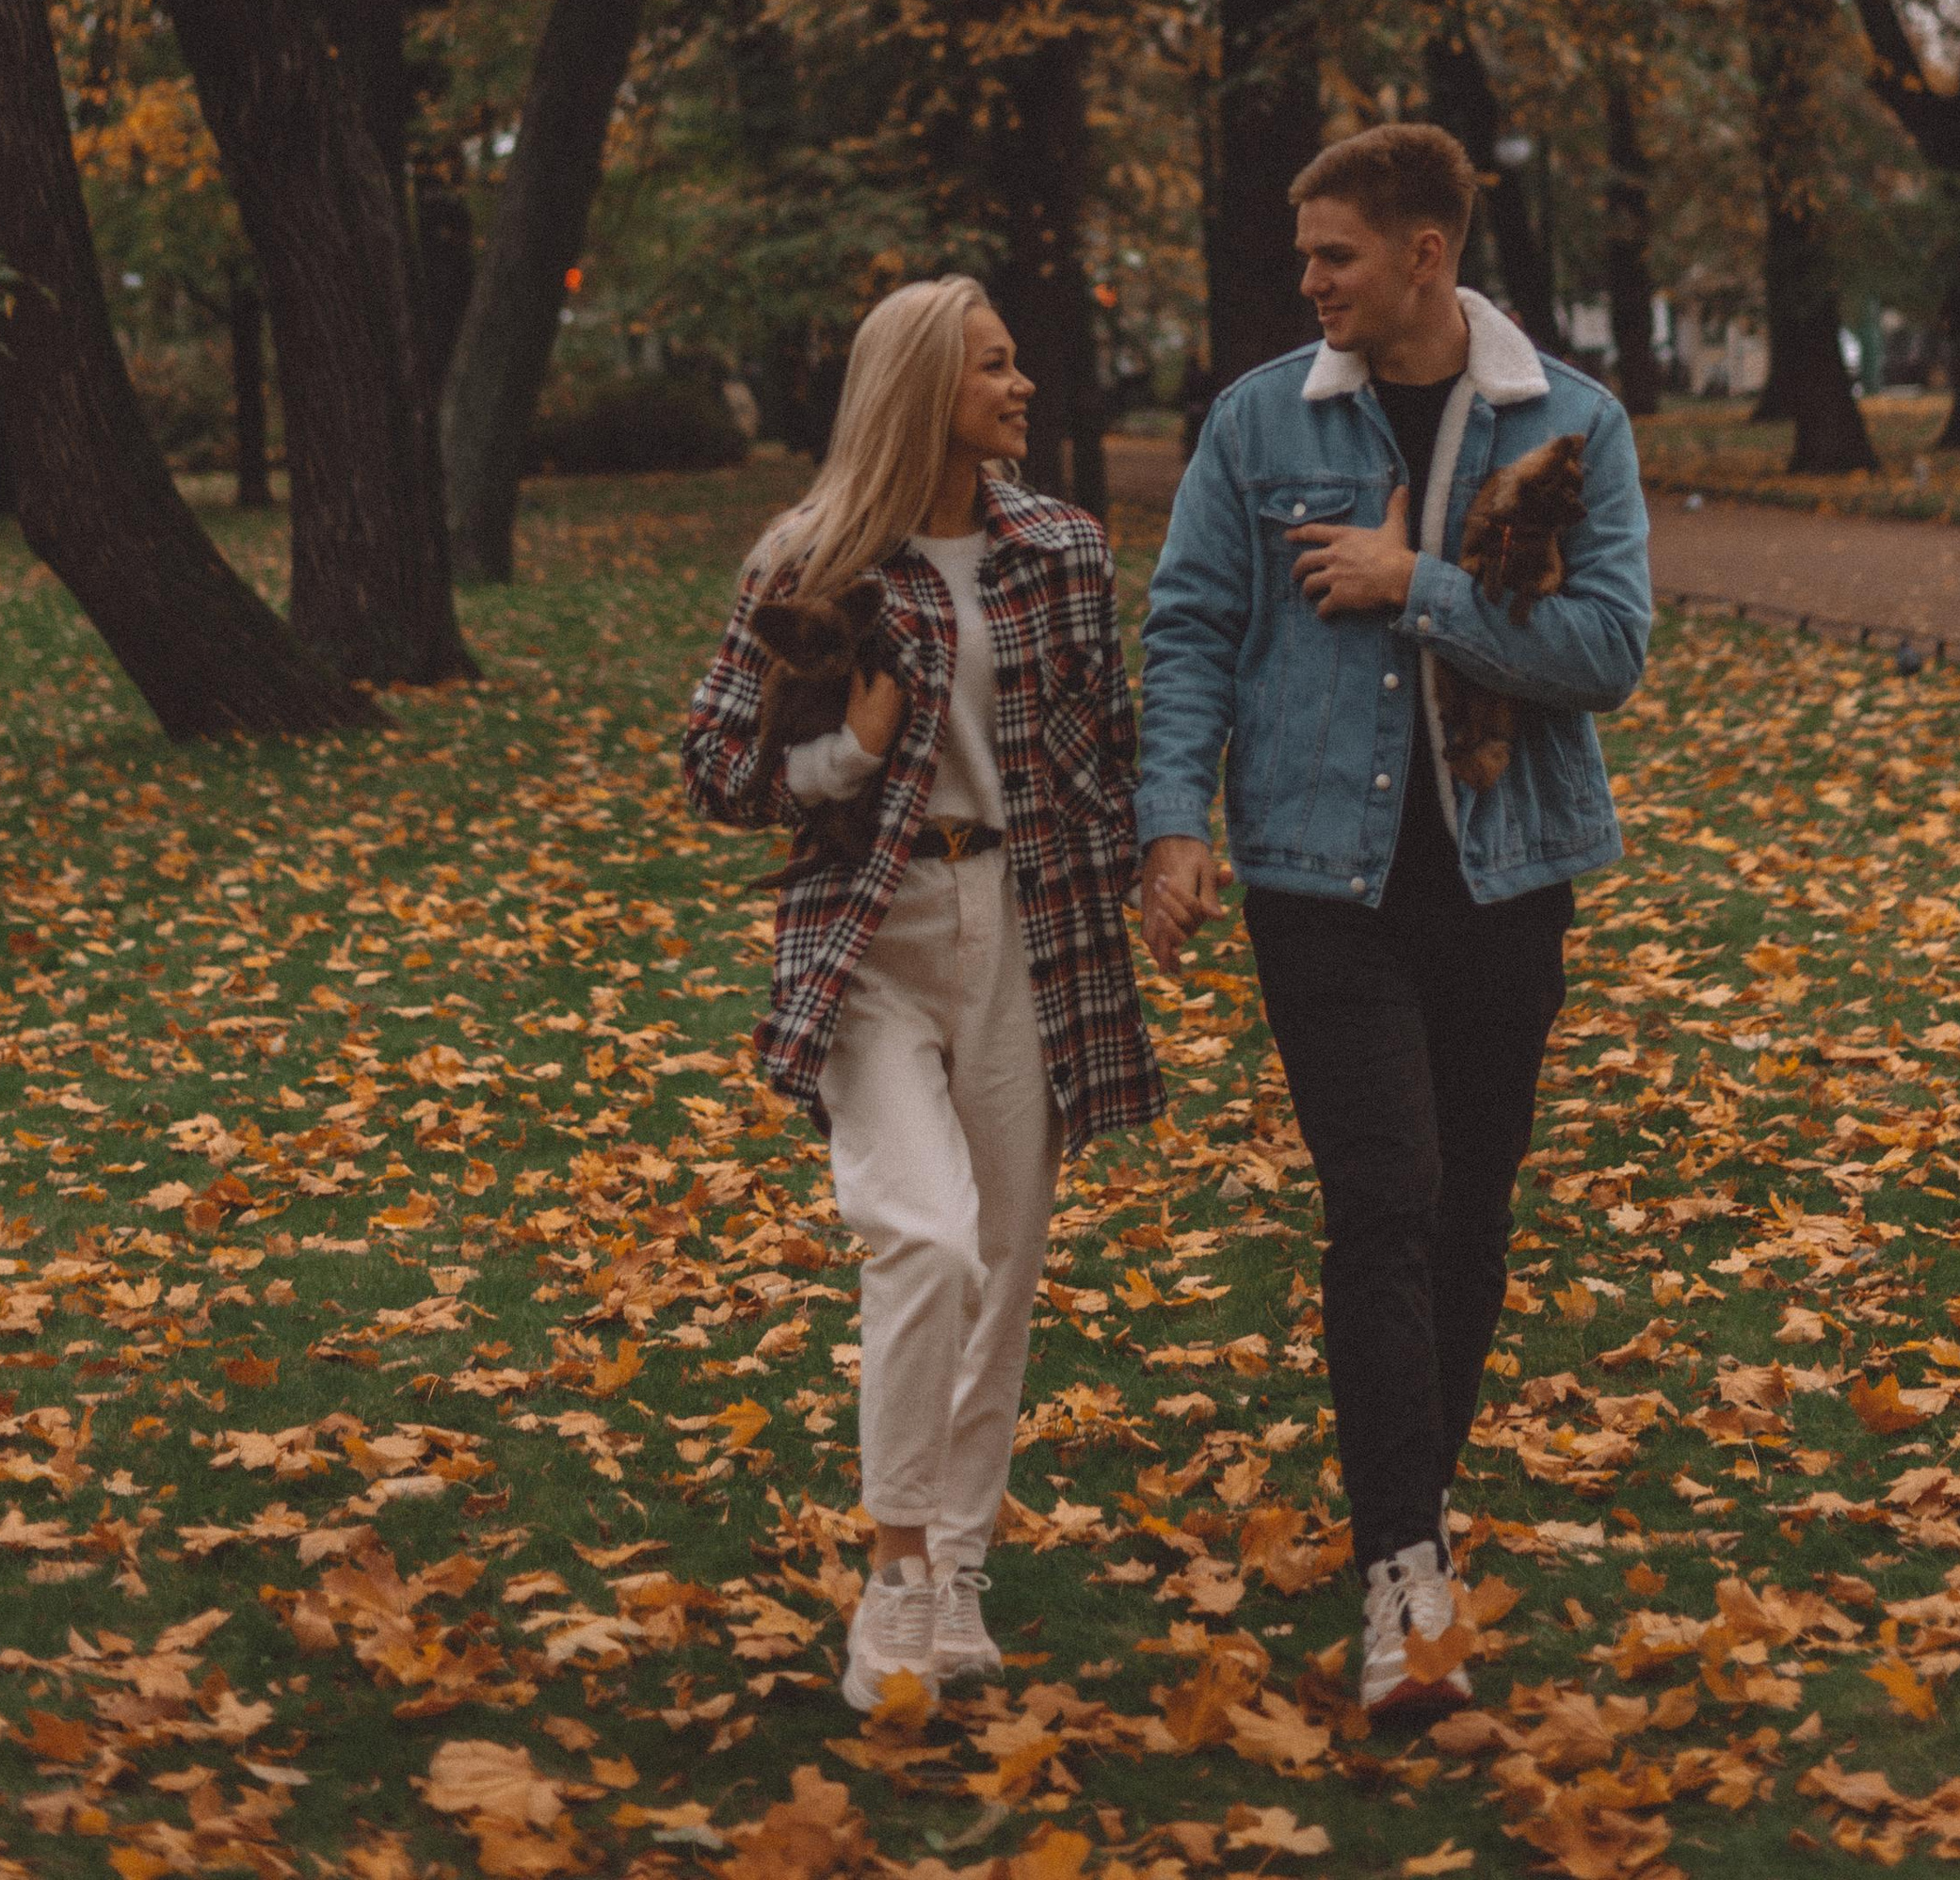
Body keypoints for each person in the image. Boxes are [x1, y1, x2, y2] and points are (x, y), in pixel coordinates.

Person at [1134, 125, 1649, 1724]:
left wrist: (1416, 580)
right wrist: (1172, 823)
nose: (1310, 284)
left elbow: (1610, 649)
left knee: (1472, 1219)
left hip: (1506, 880)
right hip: (1317, 882)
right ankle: (1403, 1577)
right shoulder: (1255, 423)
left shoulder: (1571, 423)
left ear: (1425, 255)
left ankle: (1411, 1504)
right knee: (1386, 1202)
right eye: (1306, 257)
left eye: (1334, 254)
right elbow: (1194, 626)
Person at [683, 278, 1163, 1714]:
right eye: (995, 366)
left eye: (1020, 364)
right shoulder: (813, 558)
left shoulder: (1062, 547)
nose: (1023, 386)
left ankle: (958, 1566)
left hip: (1027, 925)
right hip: (873, 933)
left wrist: (1161, 863)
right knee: (926, 1237)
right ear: (919, 387)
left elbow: (1108, 743)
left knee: (1005, 1260)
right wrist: (841, 758)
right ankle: (894, 1573)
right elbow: (712, 768)